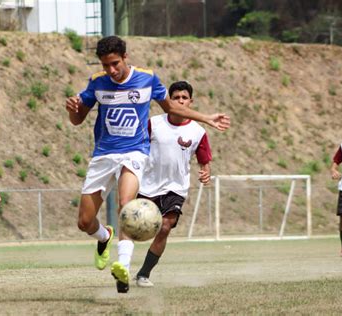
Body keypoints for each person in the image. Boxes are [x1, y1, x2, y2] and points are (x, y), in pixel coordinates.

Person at [65, 35, 229, 293]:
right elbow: (77, 119)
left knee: (125, 205)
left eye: (115, 64)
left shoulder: (147, 78)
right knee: (85, 221)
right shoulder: (97, 83)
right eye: (106, 65)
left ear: (125, 57)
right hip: (103, 155)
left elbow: (173, 108)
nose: (111, 70)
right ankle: (104, 237)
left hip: (134, 151)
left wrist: (206, 118)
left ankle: (123, 267)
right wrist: (72, 108)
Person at [135, 81, 212, 287]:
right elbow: (135, 146)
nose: (180, 101)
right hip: (147, 185)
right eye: (176, 97)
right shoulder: (154, 123)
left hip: (176, 187)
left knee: (165, 227)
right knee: (136, 228)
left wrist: (205, 172)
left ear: (190, 101)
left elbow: (204, 160)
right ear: (169, 100)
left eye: (184, 98)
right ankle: (121, 263)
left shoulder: (197, 131)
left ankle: (143, 274)